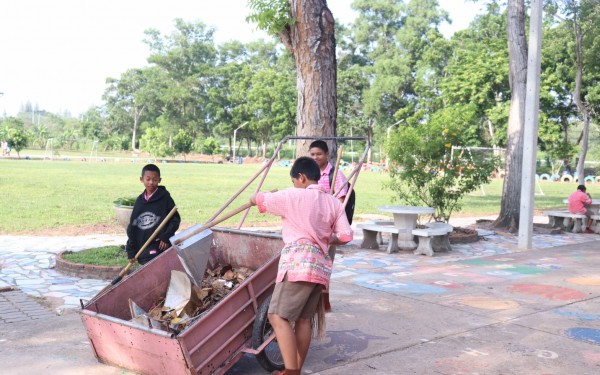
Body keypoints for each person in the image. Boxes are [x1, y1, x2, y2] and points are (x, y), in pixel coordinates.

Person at [249, 157, 353, 375]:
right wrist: (325, 239)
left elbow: (257, 199)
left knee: (276, 316)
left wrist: (257, 197)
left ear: (301, 177)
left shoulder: (292, 195)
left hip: (298, 264)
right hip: (321, 268)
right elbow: (345, 235)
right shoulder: (333, 202)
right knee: (304, 320)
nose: (295, 183)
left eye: (294, 180)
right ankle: (294, 368)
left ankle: (292, 371)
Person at [308, 140, 349, 312]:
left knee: (325, 263)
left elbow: (340, 203)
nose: (315, 157)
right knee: (311, 263)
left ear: (327, 155)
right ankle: (313, 299)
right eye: (312, 154)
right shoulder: (310, 172)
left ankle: (324, 299)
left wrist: (326, 206)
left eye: (319, 154)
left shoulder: (336, 175)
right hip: (311, 226)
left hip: (328, 227)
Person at [126, 163, 181, 265]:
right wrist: (131, 249)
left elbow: (175, 220)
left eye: (155, 179)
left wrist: (166, 237)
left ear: (159, 180)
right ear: (141, 179)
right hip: (143, 247)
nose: (151, 182)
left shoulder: (165, 198)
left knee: (157, 267)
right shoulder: (139, 201)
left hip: (159, 246)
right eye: (148, 179)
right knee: (147, 271)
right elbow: (133, 227)